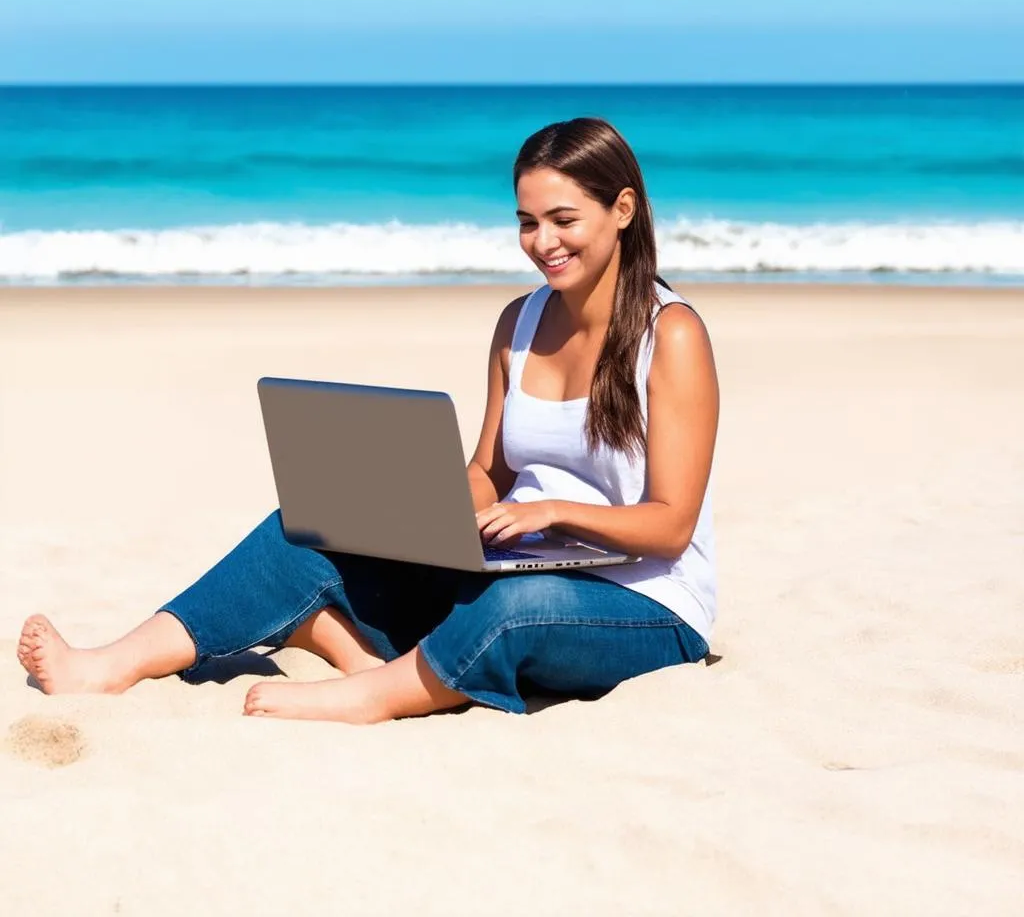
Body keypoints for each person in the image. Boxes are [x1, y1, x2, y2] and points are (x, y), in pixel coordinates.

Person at [16, 117, 720, 723]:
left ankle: (370, 692)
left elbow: (671, 523)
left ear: (622, 209)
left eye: (564, 220)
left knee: (513, 608)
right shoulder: (520, 322)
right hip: (521, 565)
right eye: (527, 222)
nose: (543, 243)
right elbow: (488, 473)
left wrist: (553, 514)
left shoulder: (673, 335)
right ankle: (110, 665)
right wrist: (411, 518)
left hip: (645, 604)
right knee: (300, 532)